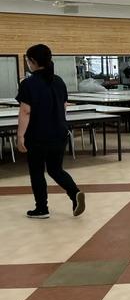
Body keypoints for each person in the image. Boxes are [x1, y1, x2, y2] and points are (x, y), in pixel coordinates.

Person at [16, 44, 85, 219]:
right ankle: (75, 193)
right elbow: (64, 107)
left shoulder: (28, 84)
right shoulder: (59, 81)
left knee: (37, 172)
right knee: (56, 170)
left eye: (28, 60)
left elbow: (25, 111)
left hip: (37, 136)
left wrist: (20, 135)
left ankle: (42, 209)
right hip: (59, 133)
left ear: (33, 61)